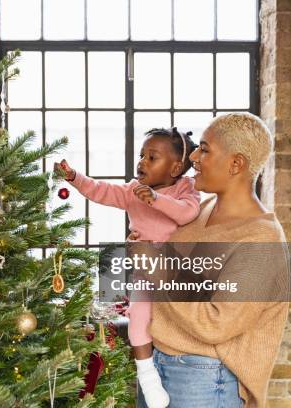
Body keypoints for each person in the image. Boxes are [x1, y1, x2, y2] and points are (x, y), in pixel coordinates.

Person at [137, 113, 290, 408]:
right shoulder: (199, 209)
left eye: (204, 149)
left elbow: (216, 324)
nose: (193, 155)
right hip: (158, 365)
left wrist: (158, 270)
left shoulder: (260, 239)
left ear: (236, 164)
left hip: (204, 379)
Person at [55, 127, 200, 408]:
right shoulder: (133, 190)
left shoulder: (185, 188)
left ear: (175, 167)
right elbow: (102, 191)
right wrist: (75, 178)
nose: (142, 162)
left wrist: (156, 199)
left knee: (174, 319)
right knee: (137, 320)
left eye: (151, 157)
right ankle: (147, 375)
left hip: (175, 272)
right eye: (141, 155)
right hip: (144, 272)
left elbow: (188, 212)